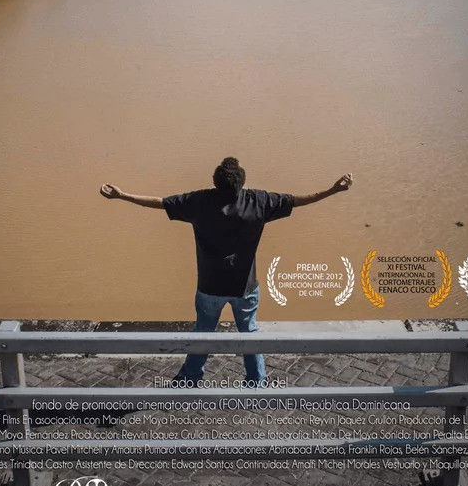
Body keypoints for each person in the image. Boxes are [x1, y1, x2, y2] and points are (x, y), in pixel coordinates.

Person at [100, 158, 352, 387]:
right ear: (242, 183)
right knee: (249, 333)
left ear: (214, 182)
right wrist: (333, 190)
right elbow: (297, 200)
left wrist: (122, 195)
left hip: (210, 286)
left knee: (203, 333)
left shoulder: (199, 202)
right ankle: (256, 381)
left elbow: (160, 202)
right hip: (245, 286)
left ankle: (190, 377)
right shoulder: (259, 201)